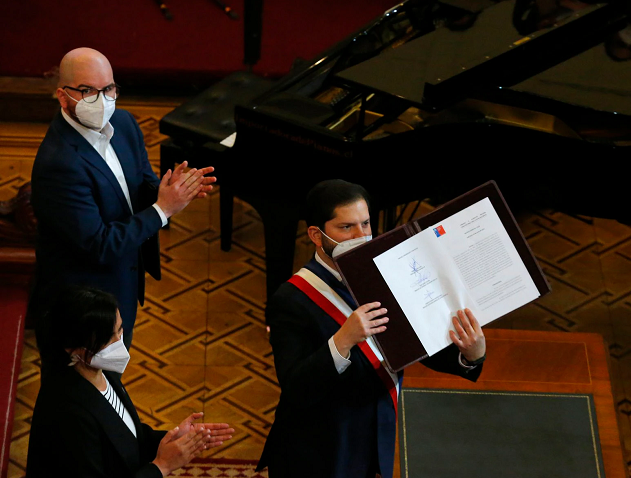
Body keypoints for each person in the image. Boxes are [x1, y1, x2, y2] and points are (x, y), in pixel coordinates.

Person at [256, 179, 487, 478]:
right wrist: (342, 340)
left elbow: (413, 342)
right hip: (318, 447)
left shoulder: (392, 274)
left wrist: (470, 355)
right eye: (346, 227)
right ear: (316, 234)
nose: (361, 236)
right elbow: (296, 387)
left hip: (378, 432)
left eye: (366, 224)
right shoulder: (290, 299)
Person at [30, 47, 216, 350]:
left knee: (114, 381)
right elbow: (99, 245)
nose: (102, 100)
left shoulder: (126, 124)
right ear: (63, 97)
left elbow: (140, 182)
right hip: (83, 310)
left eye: (108, 89)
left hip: (122, 288)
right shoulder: (59, 164)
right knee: (89, 393)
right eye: (87, 91)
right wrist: (163, 208)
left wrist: (173, 189)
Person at [26, 285, 235, 477]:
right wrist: (161, 466)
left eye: (120, 330)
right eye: (109, 338)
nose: (119, 344)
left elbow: (123, 434)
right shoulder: (68, 414)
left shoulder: (100, 370)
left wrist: (176, 438)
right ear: (74, 347)